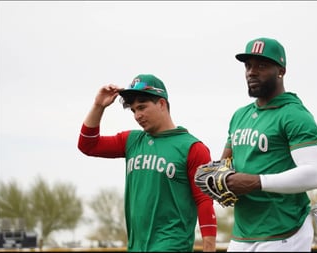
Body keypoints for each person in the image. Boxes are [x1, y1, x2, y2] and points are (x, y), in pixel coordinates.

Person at [78, 74, 217, 252]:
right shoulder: (131, 141)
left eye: (142, 107)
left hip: (172, 246)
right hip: (136, 246)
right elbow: (88, 145)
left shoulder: (193, 148)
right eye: (134, 110)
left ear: (161, 104)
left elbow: (204, 202)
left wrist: (209, 248)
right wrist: (98, 106)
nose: (137, 115)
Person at [220, 38, 317, 252]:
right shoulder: (240, 115)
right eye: (248, 65)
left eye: (261, 65)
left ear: (281, 71)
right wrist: (218, 179)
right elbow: (225, 162)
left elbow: (315, 174)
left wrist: (257, 182)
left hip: (284, 229)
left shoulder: (294, 114)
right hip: (243, 231)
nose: (252, 72)